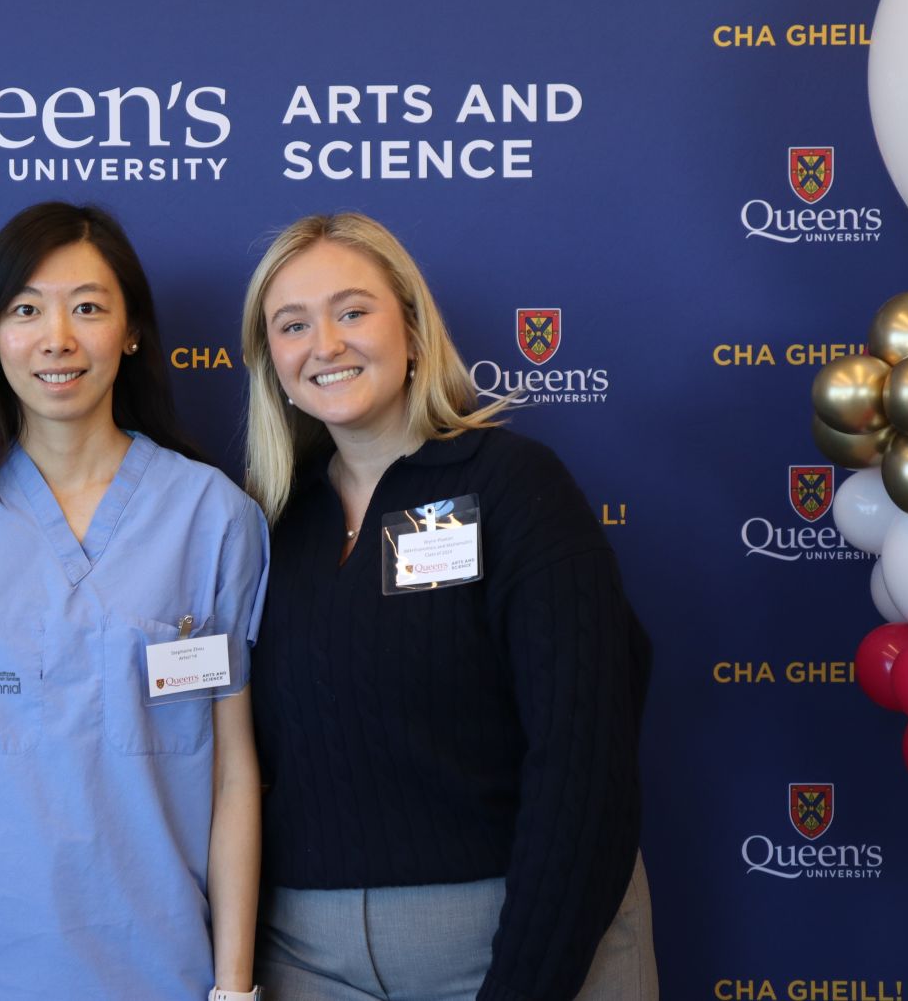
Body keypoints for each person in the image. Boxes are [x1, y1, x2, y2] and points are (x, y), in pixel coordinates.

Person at [241, 213, 656, 1001]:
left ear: (414, 327)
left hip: (516, 943)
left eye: (352, 311)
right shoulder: (271, 524)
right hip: (307, 958)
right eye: (292, 325)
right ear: (273, 363)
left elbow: (583, 759)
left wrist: (526, 980)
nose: (324, 344)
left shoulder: (513, 487)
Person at [0, 201, 268, 1001]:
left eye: (88, 307)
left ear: (133, 330)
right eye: (26, 310)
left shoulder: (213, 518)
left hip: (168, 966)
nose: (58, 338)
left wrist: (232, 986)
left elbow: (233, 775)